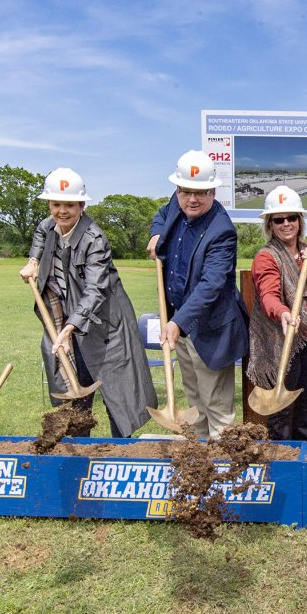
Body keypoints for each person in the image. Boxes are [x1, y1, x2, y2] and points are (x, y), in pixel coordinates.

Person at [19, 168, 156, 437]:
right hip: (71, 322)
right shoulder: (47, 227)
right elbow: (38, 238)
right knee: (75, 398)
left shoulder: (95, 239)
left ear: (81, 205)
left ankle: (122, 457)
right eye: (56, 204)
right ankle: (81, 458)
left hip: (107, 328)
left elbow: (95, 290)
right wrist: (33, 261)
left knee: (119, 400)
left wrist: (69, 329)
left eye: (69, 204)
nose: (62, 211)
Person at [146, 150, 249, 438]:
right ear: (177, 189)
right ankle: (200, 464)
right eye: (186, 191)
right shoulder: (177, 204)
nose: (192, 199)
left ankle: (226, 472)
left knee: (216, 406)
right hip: (180, 324)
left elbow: (211, 285)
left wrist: (178, 323)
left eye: (201, 193)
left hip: (209, 330)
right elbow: (162, 215)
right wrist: (156, 233)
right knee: (194, 402)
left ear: (213, 191)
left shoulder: (222, 232)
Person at [247, 186, 307, 441]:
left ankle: (303, 457)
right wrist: (283, 313)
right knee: (282, 407)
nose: (286, 224)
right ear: (270, 224)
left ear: (300, 221)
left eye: (292, 218)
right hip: (283, 339)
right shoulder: (266, 257)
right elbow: (268, 295)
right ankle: (281, 462)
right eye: (279, 219)